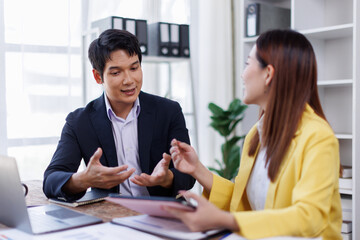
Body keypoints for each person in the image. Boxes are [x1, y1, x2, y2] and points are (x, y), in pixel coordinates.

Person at [164, 29, 342, 240]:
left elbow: (309, 217)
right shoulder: (256, 134)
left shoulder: (318, 137)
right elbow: (245, 203)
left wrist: (226, 221)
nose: (243, 74)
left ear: (268, 74)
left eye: (248, 64)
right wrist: (198, 170)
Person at [43, 29, 195, 201]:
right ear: (98, 76)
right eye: (116, 73)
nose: (129, 80)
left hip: (161, 214)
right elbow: (50, 180)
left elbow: (189, 175)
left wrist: (167, 178)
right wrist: (84, 179)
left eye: (134, 68)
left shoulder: (168, 111)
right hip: (111, 217)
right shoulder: (79, 122)